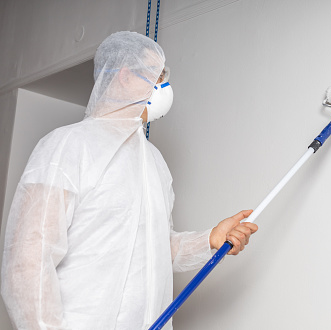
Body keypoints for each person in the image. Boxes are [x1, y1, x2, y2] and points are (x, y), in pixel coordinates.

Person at [1, 31, 258, 330]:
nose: (165, 86)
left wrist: (209, 240)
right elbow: (28, 263)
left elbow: (157, 248)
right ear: (123, 76)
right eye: (157, 75)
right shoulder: (67, 146)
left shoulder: (154, 162)